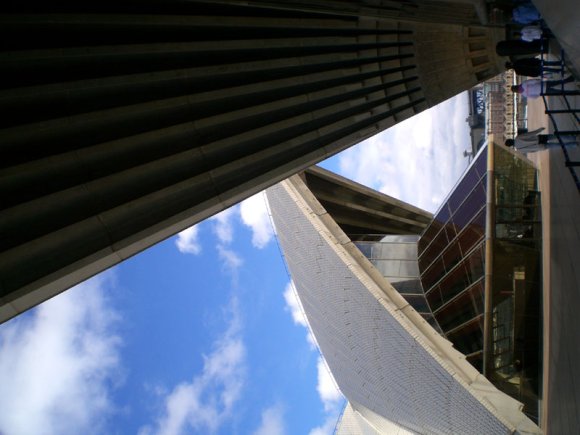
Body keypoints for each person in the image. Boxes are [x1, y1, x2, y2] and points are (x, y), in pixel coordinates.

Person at [505, 127, 578, 152]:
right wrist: (539, 130)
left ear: (511, 146)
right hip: (540, 138)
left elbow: (532, 151)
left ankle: (574, 145)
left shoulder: (519, 149)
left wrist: (538, 148)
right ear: (511, 140)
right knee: (556, 137)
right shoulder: (518, 138)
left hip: (540, 147)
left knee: (558, 146)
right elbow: (530, 134)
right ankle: (573, 138)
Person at [511, 76, 576, 98]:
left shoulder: (524, 94)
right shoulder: (524, 84)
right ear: (516, 85)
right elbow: (534, 81)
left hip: (543, 91)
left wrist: (538, 93)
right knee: (557, 82)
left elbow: (534, 97)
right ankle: (570, 79)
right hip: (543, 85)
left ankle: (574, 92)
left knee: (559, 92)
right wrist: (540, 80)